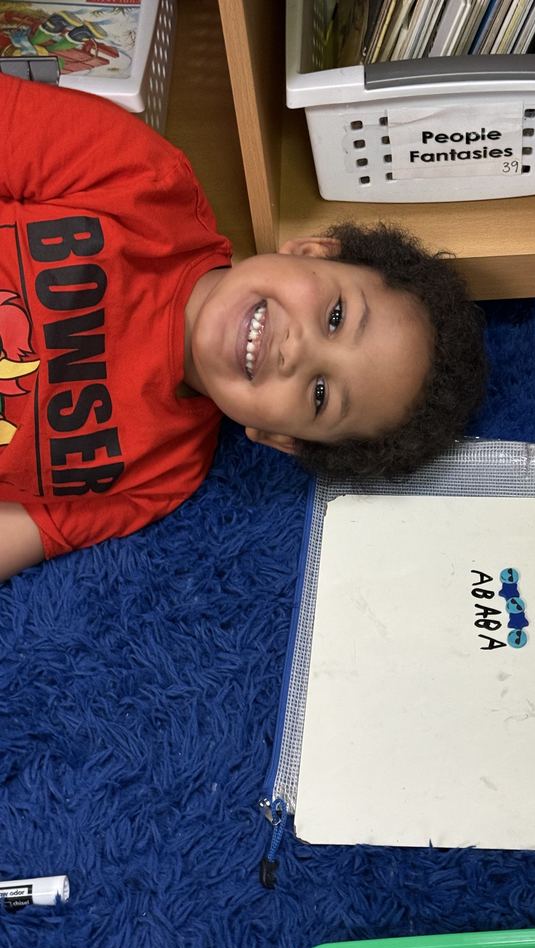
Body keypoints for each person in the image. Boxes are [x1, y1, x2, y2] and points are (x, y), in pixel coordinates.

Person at [0, 72, 486, 581]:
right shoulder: (142, 181)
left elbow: (28, 527)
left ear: (278, 437)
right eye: (337, 317)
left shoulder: (164, 476)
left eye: (320, 394)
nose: (298, 352)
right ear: (312, 250)